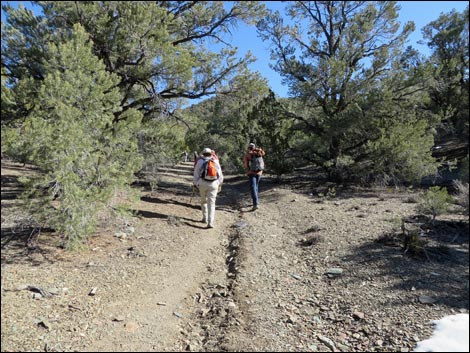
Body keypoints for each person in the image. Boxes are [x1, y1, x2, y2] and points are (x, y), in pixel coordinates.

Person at [193, 147, 223, 228]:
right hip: (213, 184)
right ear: (211, 154)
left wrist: (195, 184)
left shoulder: (200, 161)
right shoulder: (215, 161)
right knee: (212, 203)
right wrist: (219, 183)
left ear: (203, 153)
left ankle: (204, 218)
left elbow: (196, 174)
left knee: (203, 201)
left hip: (202, 183)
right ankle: (210, 222)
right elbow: (220, 174)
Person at [243, 142, 265, 211]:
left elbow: (246, 165)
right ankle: (256, 202)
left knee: (253, 187)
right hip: (259, 172)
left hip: (251, 172)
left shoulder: (248, 154)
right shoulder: (259, 152)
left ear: (249, 147)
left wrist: (247, 170)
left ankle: (255, 204)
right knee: (256, 186)